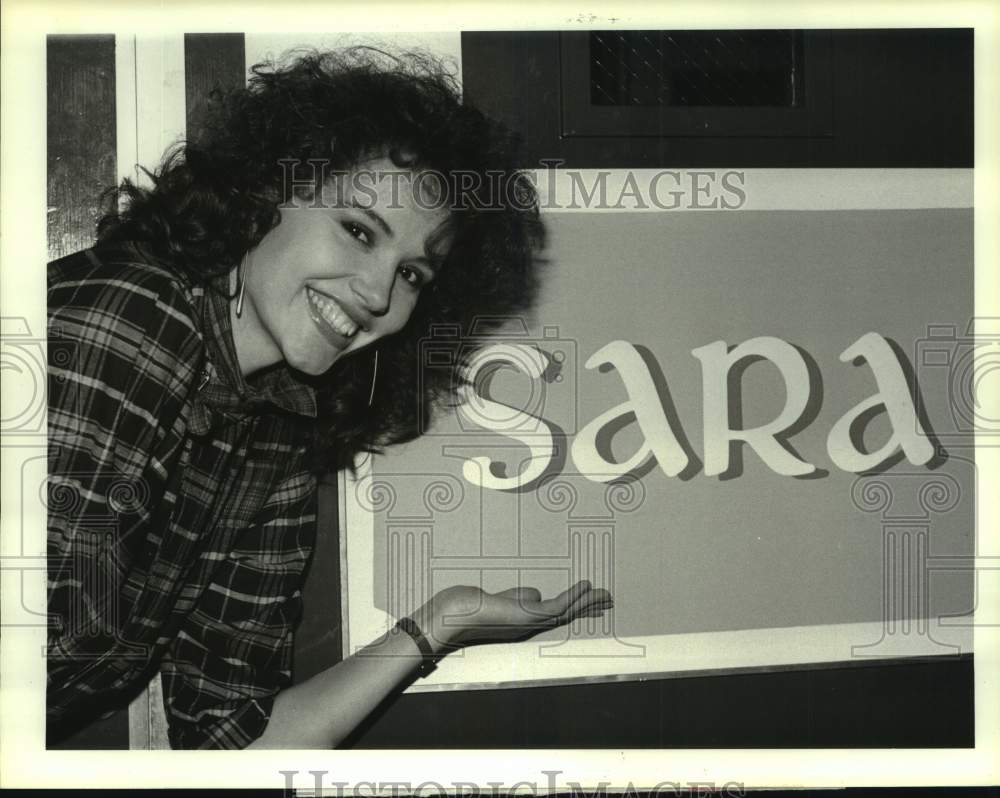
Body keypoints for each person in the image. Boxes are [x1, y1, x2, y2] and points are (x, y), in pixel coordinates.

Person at [46, 47, 613, 750]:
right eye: (357, 230)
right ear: (263, 191)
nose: (378, 294)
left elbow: (231, 742)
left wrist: (437, 626)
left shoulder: (276, 422)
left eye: (410, 272)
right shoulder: (134, 320)